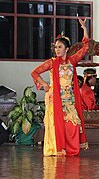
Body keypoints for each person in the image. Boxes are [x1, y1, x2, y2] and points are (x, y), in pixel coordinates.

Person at [31, 18, 89, 156]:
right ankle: (57, 148)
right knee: (57, 125)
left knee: (73, 124)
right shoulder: (51, 63)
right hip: (54, 97)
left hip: (68, 98)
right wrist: (45, 84)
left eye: (60, 47)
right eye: (56, 47)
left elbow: (85, 47)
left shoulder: (72, 60)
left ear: (67, 49)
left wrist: (84, 28)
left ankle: (70, 149)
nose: (57, 50)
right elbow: (35, 72)